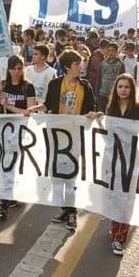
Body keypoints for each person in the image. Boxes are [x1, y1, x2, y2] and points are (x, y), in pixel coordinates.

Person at [27, 50, 97, 230]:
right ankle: (64, 208)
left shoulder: (85, 86)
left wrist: (92, 114)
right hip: (56, 136)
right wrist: (34, 107)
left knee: (71, 175)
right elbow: (48, 105)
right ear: (67, 66)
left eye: (80, 64)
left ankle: (72, 211)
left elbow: (91, 109)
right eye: (76, 64)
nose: (80, 67)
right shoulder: (55, 84)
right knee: (57, 173)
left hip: (75, 136)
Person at [87, 74, 139, 255]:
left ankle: (119, 239)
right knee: (115, 195)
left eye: (127, 87)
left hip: (131, 159)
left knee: (127, 198)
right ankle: (115, 228)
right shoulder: (111, 107)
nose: (123, 90)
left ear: (132, 90)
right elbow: (107, 132)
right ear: (116, 89)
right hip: (113, 158)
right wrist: (98, 117)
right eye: (120, 86)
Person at [0, 55, 36, 219]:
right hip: (3, 130)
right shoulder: (4, 86)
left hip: (20, 130)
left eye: (19, 68)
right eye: (13, 68)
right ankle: (5, 200)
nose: (16, 72)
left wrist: (9, 106)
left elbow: (29, 111)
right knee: (6, 164)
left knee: (11, 164)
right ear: (8, 69)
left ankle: (8, 196)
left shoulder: (28, 87)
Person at [95, 42, 126, 113]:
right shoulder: (103, 63)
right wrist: (96, 93)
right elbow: (99, 79)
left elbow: (123, 80)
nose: (111, 52)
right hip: (103, 94)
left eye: (113, 50)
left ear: (116, 51)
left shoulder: (120, 64)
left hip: (115, 94)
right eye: (109, 50)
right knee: (101, 114)